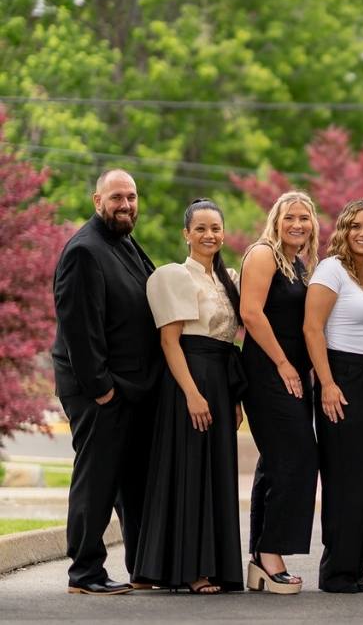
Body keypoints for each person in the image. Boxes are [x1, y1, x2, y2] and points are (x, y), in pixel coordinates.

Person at [52, 169, 163, 596]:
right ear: (98, 200)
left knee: (132, 481)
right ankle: (84, 572)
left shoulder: (125, 242)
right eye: (117, 197)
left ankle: (142, 566)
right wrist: (101, 388)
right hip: (97, 389)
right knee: (96, 479)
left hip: (131, 388)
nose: (126, 205)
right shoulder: (85, 250)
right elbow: (79, 329)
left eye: (132, 197)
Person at [134, 198, 245, 594]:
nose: (209, 235)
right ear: (186, 234)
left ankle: (215, 566)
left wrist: (233, 399)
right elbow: (169, 342)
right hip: (189, 380)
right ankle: (191, 569)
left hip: (220, 379)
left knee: (216, 472)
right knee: (191, 470)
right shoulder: (175, 276)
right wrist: (193, 395)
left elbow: (230, 343)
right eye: (200, 228)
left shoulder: (229, 278)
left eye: (215, 228)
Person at [303, 200, 363, 594]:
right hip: (342, 376)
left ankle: (357, 567)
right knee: (346, 477)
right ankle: (336, 570)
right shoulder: (331, 269)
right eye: (356, 226)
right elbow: (311, 329)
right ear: (344, 229)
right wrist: (327, 383)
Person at [240, 191, 319, 594]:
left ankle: (259, 556)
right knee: (297, 457)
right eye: (291, 217)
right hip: (268, 372)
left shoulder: (299, 264)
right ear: (277, 219)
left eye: (305, 218)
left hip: (292, 374)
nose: (298, 225)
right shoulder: (263, 254)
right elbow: (251, 313)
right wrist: (284, 364)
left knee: (276, 462)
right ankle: (271, 552)